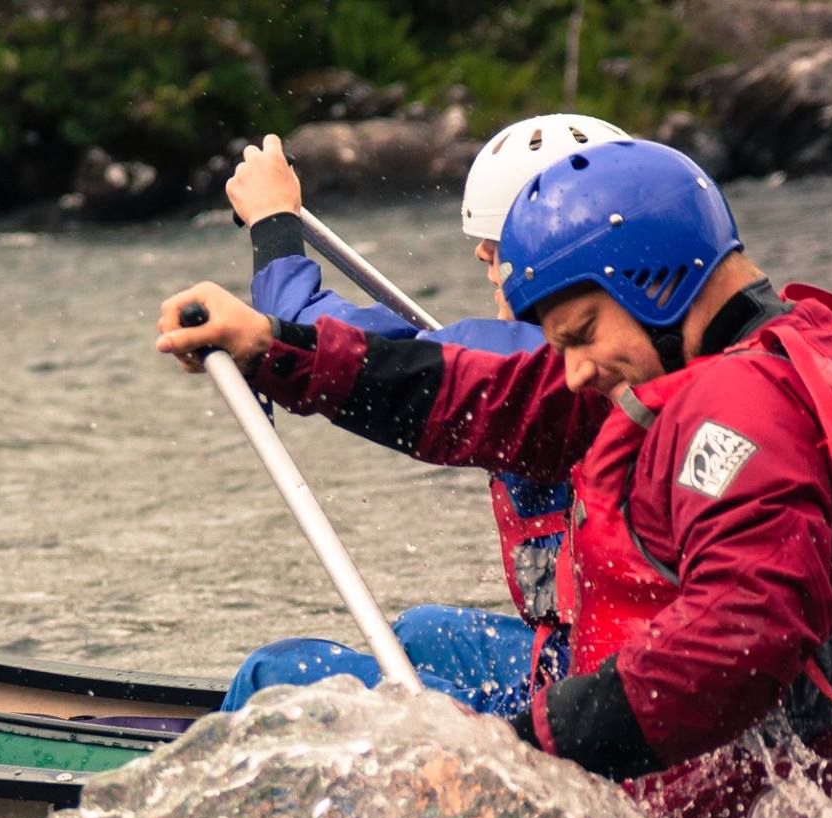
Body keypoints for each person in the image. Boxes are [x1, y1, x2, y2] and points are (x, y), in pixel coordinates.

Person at [159, 139, 832, 818]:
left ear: (654, 279)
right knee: (414, 638)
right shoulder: (784, 349)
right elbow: (481, 394)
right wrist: (274, 347)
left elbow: (743, 632)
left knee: (286, 691)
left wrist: (515, 748)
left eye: (580, 336)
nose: (576, 368)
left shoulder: (741, 406)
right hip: (806, 808)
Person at [219, 115, 626, 717]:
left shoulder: (544, 363)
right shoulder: (631, 345)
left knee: (272, 676)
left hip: (591, 693)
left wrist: (274, 223)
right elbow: (405, 350)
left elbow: (313, 330)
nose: (486, 264)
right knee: (422, 632)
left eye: (496, 249)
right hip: (587, 652)